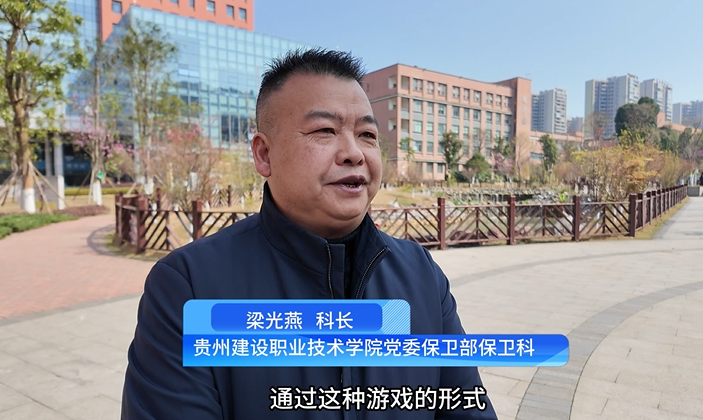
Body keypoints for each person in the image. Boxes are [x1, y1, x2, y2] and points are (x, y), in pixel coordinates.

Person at [121, 48, 496, 419]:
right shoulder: (189, 286)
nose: (354, 153)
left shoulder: (421, 273)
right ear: (264, 154)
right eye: (325, 131)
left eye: (367, 134)